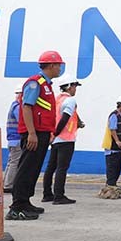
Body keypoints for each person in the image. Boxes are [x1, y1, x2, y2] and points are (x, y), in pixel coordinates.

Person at [7, 50, 65, 221]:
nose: (60, 69)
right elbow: (27, 107)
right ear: (52, 65)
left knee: (33, 169)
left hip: (42, 133)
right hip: (34, 133)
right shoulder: (35, 83)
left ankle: (25, 201)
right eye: (59, 65)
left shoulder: (46, 85)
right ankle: (17, 207)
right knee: (26, 169)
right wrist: (31, 133)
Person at [42, 76, 84, 205]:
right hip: (65, 139)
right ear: (70, 86)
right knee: (62, 168)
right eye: (75, 86)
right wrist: (56, 133)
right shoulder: (70, 100)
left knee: (51, 167)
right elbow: (65, 118)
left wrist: (53, 135)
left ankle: (47, 194)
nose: (76, 89)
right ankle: (59, 196)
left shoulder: (57, 99)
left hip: (56, 140)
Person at [3, 84, 23, 193]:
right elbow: (22, 121)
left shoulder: (14, 105)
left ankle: (7, 183)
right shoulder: (18, 107)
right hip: (17, 140)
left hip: (13, 140)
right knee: (15, 163)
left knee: (12, 162)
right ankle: (8, 185)